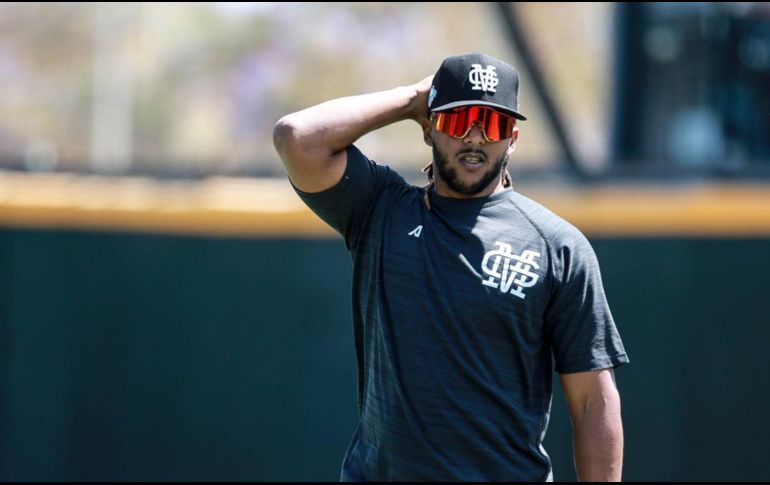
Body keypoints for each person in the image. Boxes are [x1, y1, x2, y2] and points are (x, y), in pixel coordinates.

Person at [273, 52, 629, 482]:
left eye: (493, 124)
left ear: (512, 138)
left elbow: (594, 400)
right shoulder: (382, 210)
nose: (475, 137)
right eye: (458, 121)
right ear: (429, 128)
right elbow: (296, 137)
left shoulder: (558, 246)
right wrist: (411, 98)